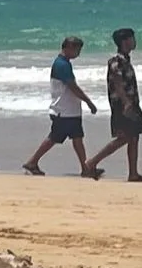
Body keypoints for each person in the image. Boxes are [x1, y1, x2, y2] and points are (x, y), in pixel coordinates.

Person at [21, 36, 96, 176]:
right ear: (69, 48)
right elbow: (72, 87)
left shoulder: (63, 63)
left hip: (69, 110)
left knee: (77, 138)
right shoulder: (62, 65)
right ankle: (32, 162)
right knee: (54, 138)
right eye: (77, 50)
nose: (78, 54)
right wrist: (88, 101)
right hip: (64, 110)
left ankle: (85, 168)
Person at [83, 28, 142, 182]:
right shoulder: (117, 61)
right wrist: (126, 103)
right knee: (124, 137)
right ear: (124, 41)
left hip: (131, 103)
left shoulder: (125, 60)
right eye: (132, 38)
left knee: (134, 137)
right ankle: (91, 163)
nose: (134, 41)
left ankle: (133, 173)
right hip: (122, 105)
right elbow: (117, 83)